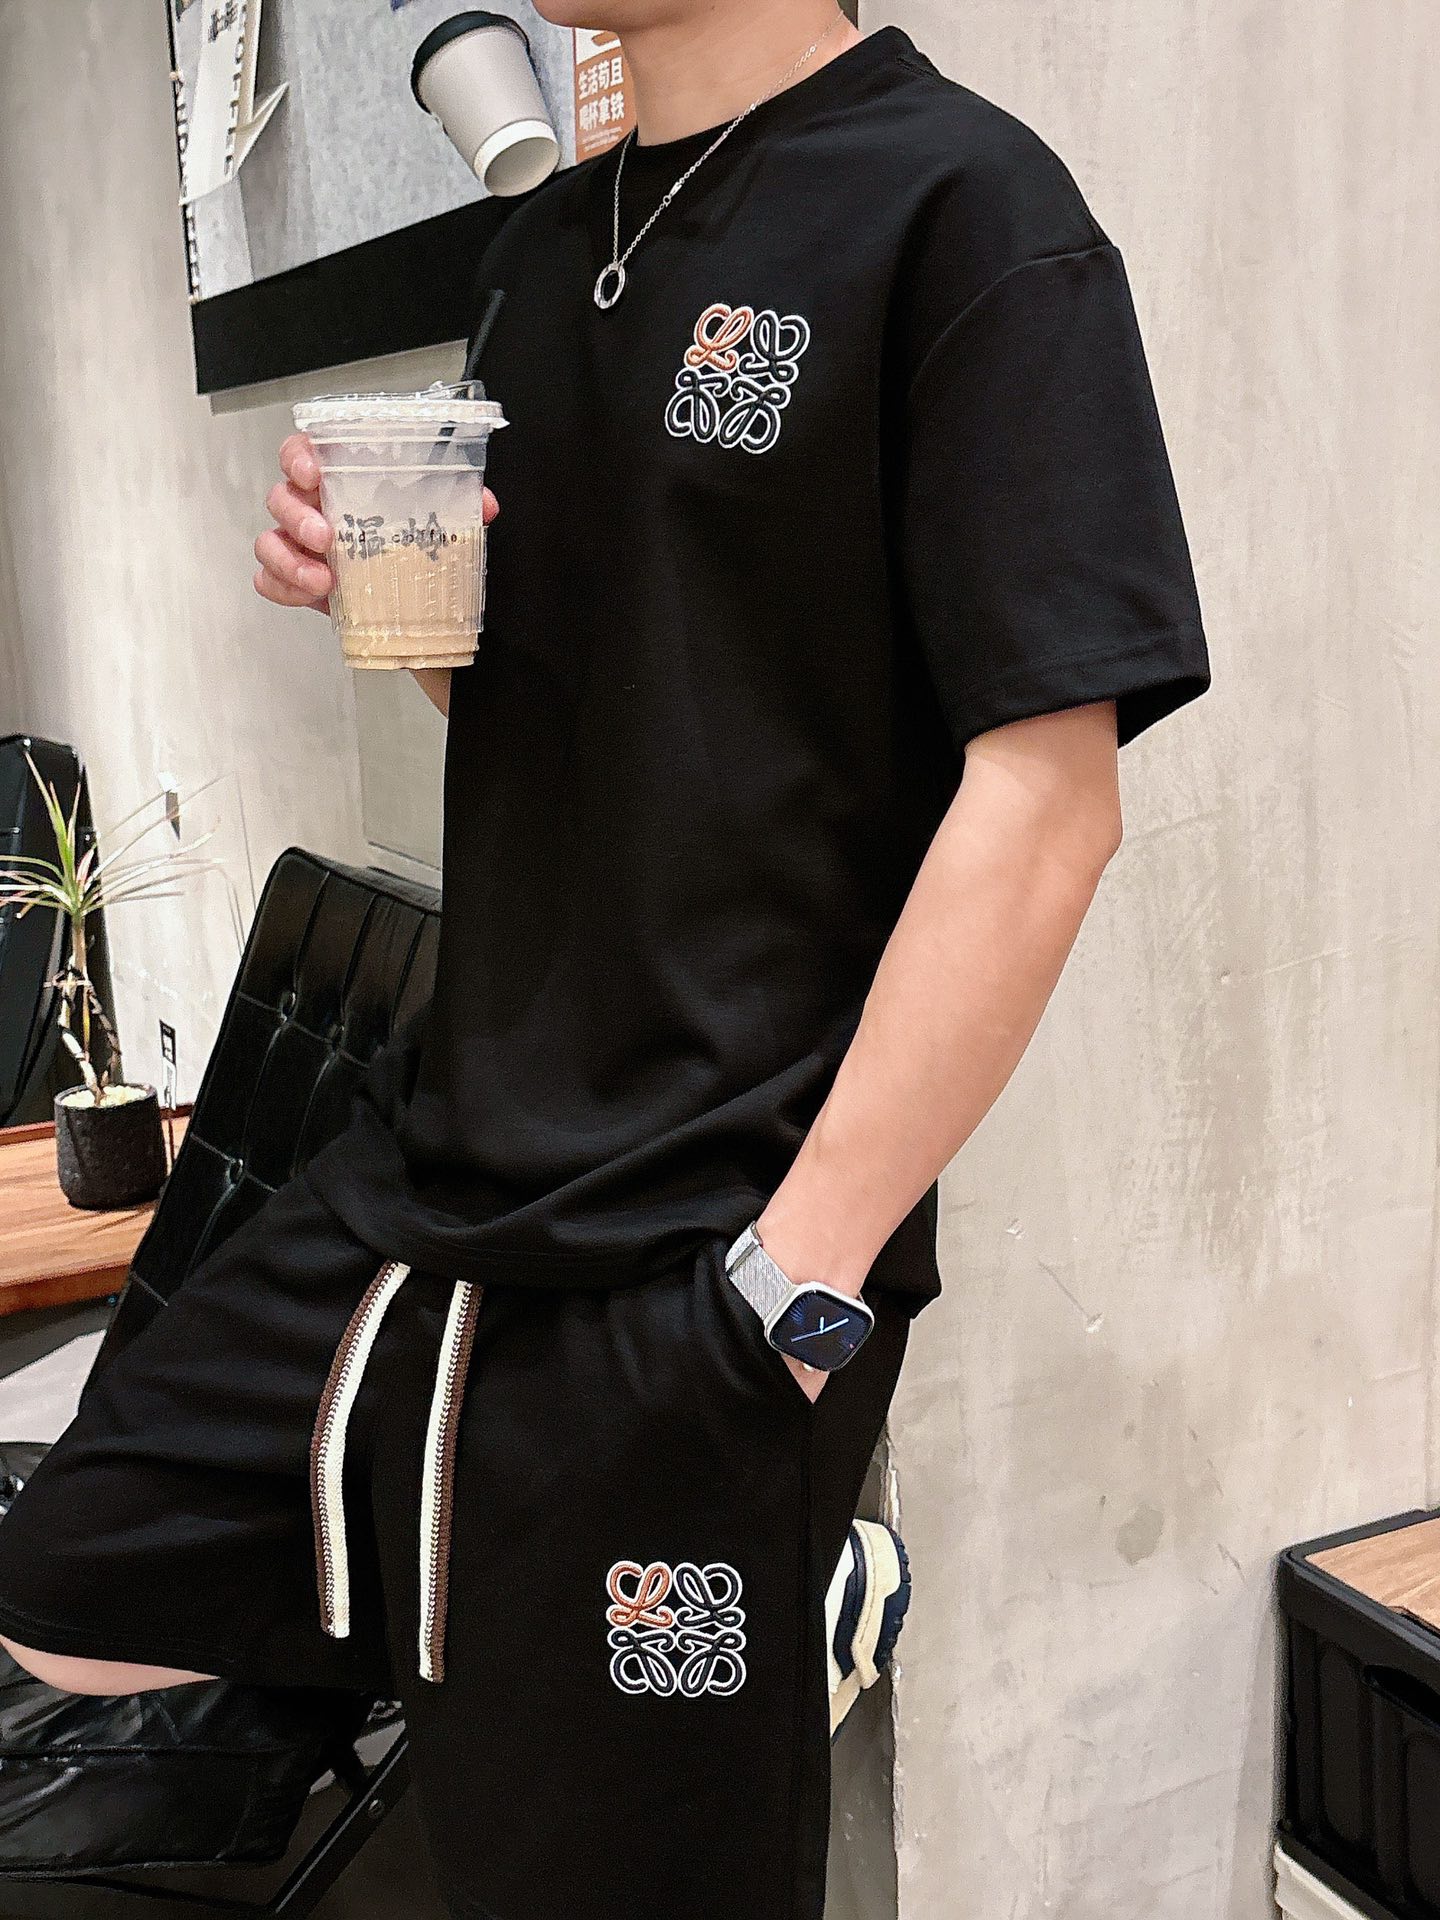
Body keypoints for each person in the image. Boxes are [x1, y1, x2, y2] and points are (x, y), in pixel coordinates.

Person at [0, 3, 1211, 1915]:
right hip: (448, 1175)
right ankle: (638, 1617)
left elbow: (1050, 801)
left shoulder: (967, 212)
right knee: (68, 1580)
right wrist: (377, 585)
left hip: (706, 1251)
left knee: (595, 1875)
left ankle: (735, 1598)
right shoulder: (548, 249)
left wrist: (789, 1298)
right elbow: (541, 684)